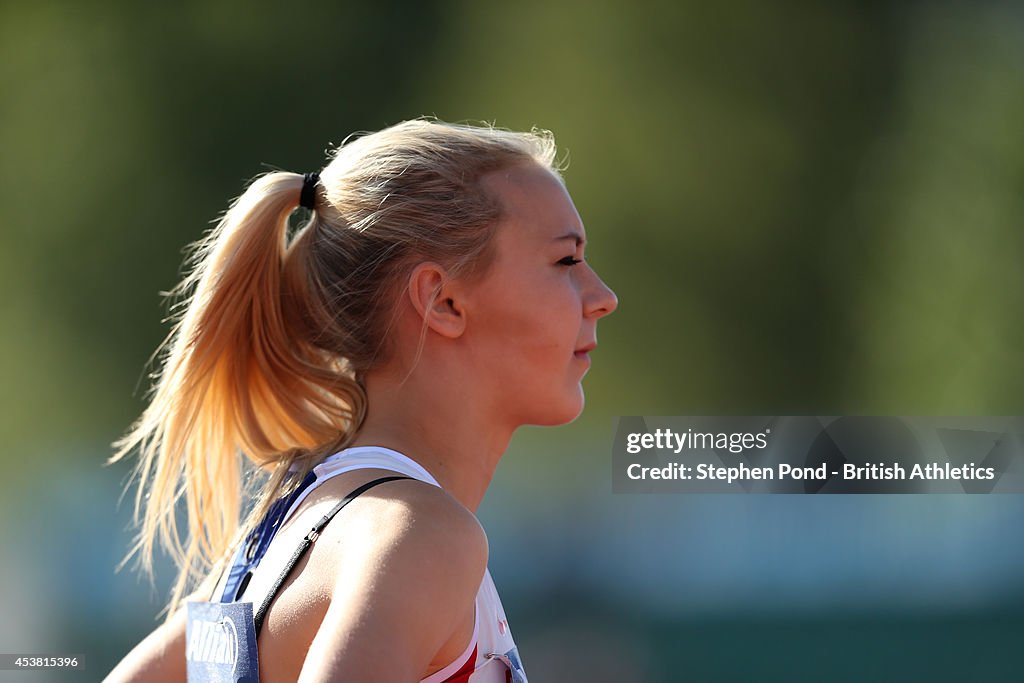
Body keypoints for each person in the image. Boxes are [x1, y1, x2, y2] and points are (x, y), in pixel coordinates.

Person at [103, 118, 617, 682]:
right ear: (441, 301)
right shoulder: (419, 534)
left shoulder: (280, 534)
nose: (603, 297)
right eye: (567, 261)